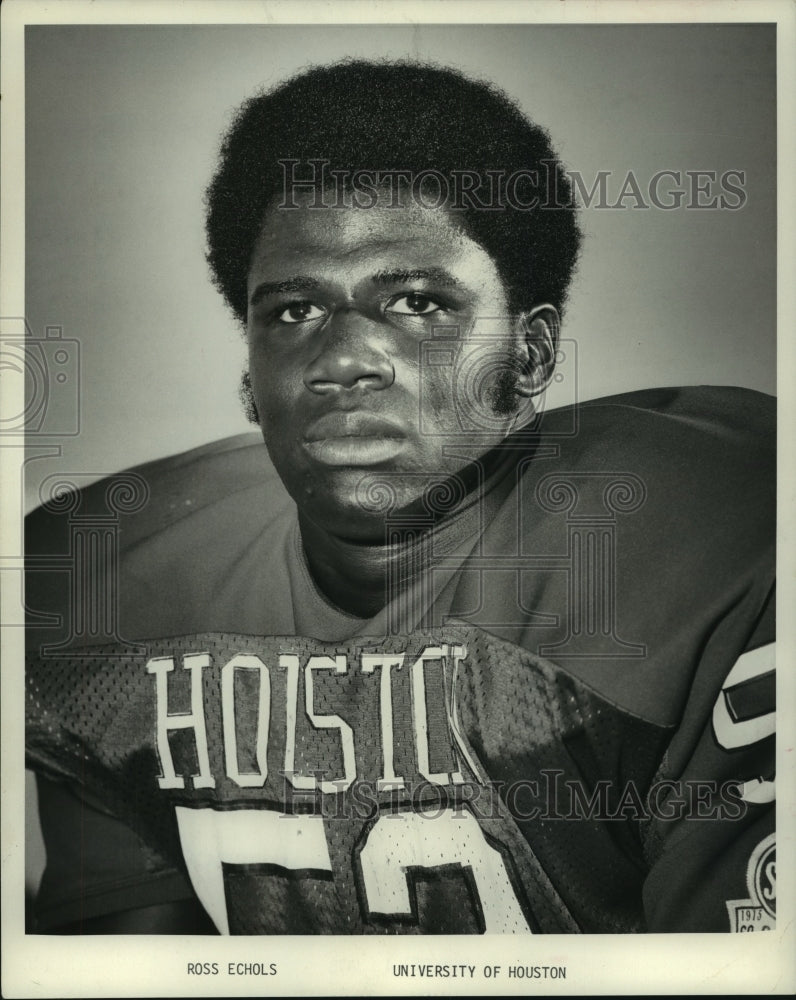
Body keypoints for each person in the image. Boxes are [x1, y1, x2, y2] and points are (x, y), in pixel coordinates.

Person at [25, 60, 775, 935]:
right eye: (296, 312)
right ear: (248, 375)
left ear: (530, 356)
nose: (343, 359)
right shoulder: (102, 582)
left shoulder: (700, 536)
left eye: (418, 303)